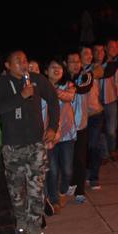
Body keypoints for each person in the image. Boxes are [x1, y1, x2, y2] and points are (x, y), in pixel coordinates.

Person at [0, 50, 60, 234]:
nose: (23, 63)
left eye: (25, 60)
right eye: (18, 61)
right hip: (13, 147)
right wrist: (22, 95)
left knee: (36, 187)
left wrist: (53, 126)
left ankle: (35, 227)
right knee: (17, 189)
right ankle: (21, 220)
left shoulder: (35, 79)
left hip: (36, 144)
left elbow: (53, 98)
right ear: (7, 65)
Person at [44, 60, 76, 214]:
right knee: (53, 170)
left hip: (66, 133)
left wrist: (53, 90)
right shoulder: (39, 88)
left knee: (68, 170)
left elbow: (69, 97)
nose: (56, 70)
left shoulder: (68, 85)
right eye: (52, 67)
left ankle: (63, 191)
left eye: (59, 67)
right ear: (45, 70)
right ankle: (54, 200)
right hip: (49, 135)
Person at [66, 50, 92, 204]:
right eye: (71, 62)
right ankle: (71, 183)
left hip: (80, 125)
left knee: (80, 159)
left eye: (77, 61)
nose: (75, 65)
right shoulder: (61, 78)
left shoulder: (86, 76)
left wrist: (69, 86)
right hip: (65, 128)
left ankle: (80, 191)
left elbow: (84, 88)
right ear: (65, 64)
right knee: (68, 160)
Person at [82, 47, 105, 190]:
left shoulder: (95, 67)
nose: (89, 56)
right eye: (85, 53)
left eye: (90, 53)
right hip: (79, 116)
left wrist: (84, 74)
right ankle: (83, 175)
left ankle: (94, 177)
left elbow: (99, 72)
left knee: (93, 146)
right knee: (82, 147)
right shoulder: (74, 70)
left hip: (95, 113)